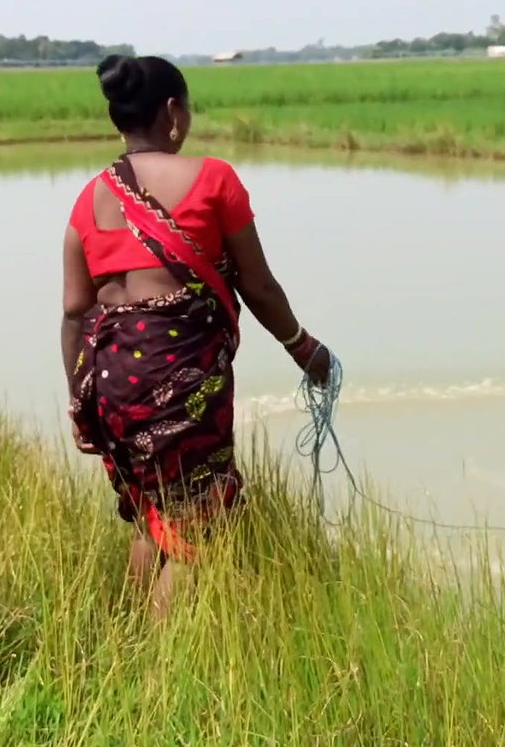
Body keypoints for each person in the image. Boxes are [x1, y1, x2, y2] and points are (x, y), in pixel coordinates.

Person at [61, 54, 334, 621]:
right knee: (197, 531)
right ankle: (159, 679)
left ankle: (127, 646)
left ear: (119, 119)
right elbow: (257, 285)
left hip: (108, 383)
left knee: (150, 513)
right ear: (172, 113)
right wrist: (303, 347)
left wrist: (79, 406)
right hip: (176, 378)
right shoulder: (213, 179)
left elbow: (73, 312)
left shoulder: (89, 198)